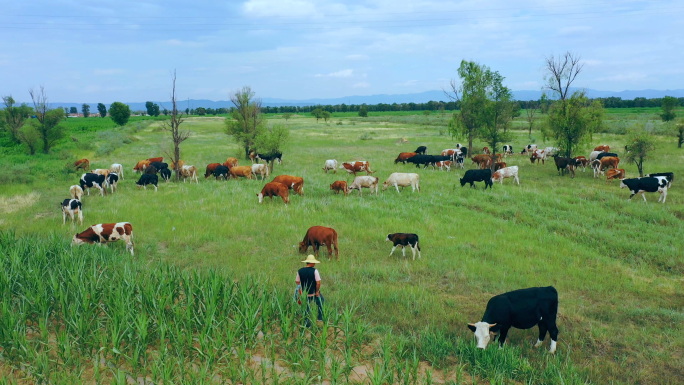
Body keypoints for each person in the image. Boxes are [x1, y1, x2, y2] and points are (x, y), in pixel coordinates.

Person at [295, 254, 324, 326]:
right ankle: (320, 318)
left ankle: (307, 324)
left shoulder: (300, 271)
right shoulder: (315, 271)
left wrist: (302, 287)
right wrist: (317, 291)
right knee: (321, 302)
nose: (314, 264)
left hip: (305, 294)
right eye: (313, 262)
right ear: (311, 263)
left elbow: (297, 281)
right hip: (313, 293)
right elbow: (318, 282)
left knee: (306, 308)